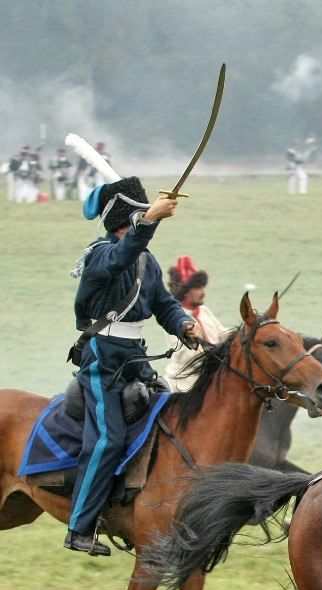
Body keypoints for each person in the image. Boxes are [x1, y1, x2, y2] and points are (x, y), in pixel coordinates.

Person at [64, 176, 197, 555]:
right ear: (129, 218)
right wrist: (151, 219)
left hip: (134, 357)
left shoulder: (146, 261)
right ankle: (80, 528)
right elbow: (123, 254)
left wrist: (183, 324)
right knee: (108, 440)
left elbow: (164, 303)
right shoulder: (102, 253)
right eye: (140, 216)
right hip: (102, 360)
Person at [164, 256, 227, 391]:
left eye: (203, 287)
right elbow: (186, 356)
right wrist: (217, 354)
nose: (203, 292)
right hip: (186, 386)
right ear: (185, 291)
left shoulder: (204, 311)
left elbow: (223, 334)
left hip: (213, 379)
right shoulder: (175, 318)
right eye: (198, 288)